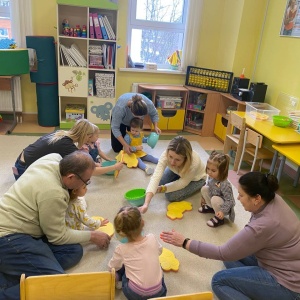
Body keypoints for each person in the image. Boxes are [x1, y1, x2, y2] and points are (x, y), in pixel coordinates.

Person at [160, 172, 300, 300]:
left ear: (257, 198)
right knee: (231, 255)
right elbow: (229, 252)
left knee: (219, 281)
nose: (238, 198)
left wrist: (185, 242)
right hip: (279, 259)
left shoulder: (263, 226)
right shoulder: (272, 198)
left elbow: (222, 252)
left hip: (288, 284)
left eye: (242, 195)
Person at [0, 150, 111, 300]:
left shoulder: (53, 158)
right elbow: (58, 237)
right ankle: (6, 286)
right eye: (86, 181)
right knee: (56, 284)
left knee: (73, 251)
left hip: (27, 229)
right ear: (71, 177)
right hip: (9, 237)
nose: (86, 185)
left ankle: (18, 267)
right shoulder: (54, 194)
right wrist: (92, 235)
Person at [13, 119, 123, 179]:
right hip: (24, 171)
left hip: (20, 161)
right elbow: (90, 171)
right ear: (85, 135)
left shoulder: (61, 133)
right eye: (89, 138)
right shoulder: (67, 146)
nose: (89, 142)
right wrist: (114, 167)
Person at [108, 206, 167, 299]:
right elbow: (160, 250)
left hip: (135, 294)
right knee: (158, 266)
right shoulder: (152, 237)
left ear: (121, 232)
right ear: (142, 223)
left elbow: (112, 267)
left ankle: (119, 282)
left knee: (122, 268)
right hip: (159, 292)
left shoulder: (121, 249)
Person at [139, 136, 206, 213]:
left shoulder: (193, 164)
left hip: (197, 178)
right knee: (159, 182)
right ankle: (177, 173)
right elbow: (156, 177)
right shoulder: (165, 155)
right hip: (177, 171)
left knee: (170, 196)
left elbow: (182, 183)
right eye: (170, 157)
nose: (172, 162)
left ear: (186, 159)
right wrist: (146, 204)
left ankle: (202, 184)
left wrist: (164, 188)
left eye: (177, 159)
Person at [198, 151, 235, 228]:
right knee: (204, 188)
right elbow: (208, 185)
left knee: (215, 199)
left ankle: (219, 219)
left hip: (224, 206)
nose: (209, 172)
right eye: (208, 169)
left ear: (222, 171)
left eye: (213, 170)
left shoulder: (225, 184)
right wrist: (203, 197)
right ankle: (211, 207)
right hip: (214, 198)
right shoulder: (212, 176)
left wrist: (222, 211)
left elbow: (230, 201)